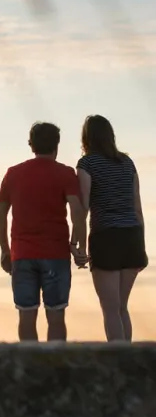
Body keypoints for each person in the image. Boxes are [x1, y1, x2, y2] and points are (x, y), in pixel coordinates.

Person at [0, 122, 87, 342]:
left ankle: (29, 371)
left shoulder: (13, 173)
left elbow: (0, 215)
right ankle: (53, 371)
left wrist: (5, 251)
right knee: (56, 316)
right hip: (55, 254)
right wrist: (80, 248)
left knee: (26, 316)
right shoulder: (65, 173)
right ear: (56, 144)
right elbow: (78, 211)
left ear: (31, 145)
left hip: (22, 254)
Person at [77, 114, 147, 342]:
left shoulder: (87, 164)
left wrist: (77, 243)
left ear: (87, 138)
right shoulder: (127, 163)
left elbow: (84, 206)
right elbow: (137, 206)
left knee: (110, 309)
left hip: (106, 237)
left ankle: (118, 363)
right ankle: (129, 365)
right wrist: (142, 247)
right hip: (132, 237)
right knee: (122, 308)